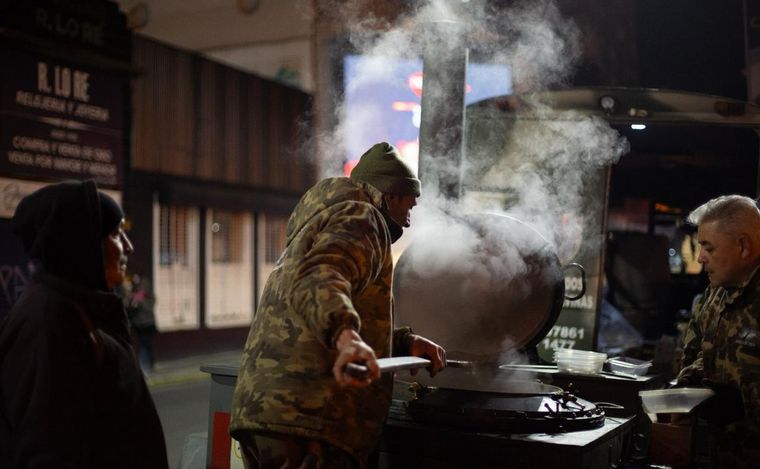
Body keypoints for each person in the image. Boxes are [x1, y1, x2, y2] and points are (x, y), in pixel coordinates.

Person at [229, 142, 447, 468]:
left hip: (272, 411)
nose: (410, 217)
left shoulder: (326, 221)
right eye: (409, 204)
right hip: (312, 418)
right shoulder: (364, 216)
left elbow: (323, 296)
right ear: (389, 196)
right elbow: (321, 277)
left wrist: (400, 342)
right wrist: (348, 338)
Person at [0, 180, 168, 468]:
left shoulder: (80, 309)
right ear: (82, 244)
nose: (128, 246)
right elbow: (49, 449)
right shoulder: (50, 320)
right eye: (116, 235)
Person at [676, 194, 760, 468]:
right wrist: (691, 380)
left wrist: (742, 406)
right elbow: (702, 350)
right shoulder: (716, 294)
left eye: (708, 248)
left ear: (743, 246)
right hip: (718, 455)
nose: (699, 258)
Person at [127, 273, 158, 373]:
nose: (141, 288)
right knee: (143, 344)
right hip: (139, 325)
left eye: (143, 286)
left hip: (148, 324)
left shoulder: (150, 297)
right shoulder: (135, 295)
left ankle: (145, 364)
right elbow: (130, 308)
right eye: (140, 286)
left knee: (145, 345)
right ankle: (146, 364)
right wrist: (133, 302)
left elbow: (149, 308)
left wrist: (141, 302)